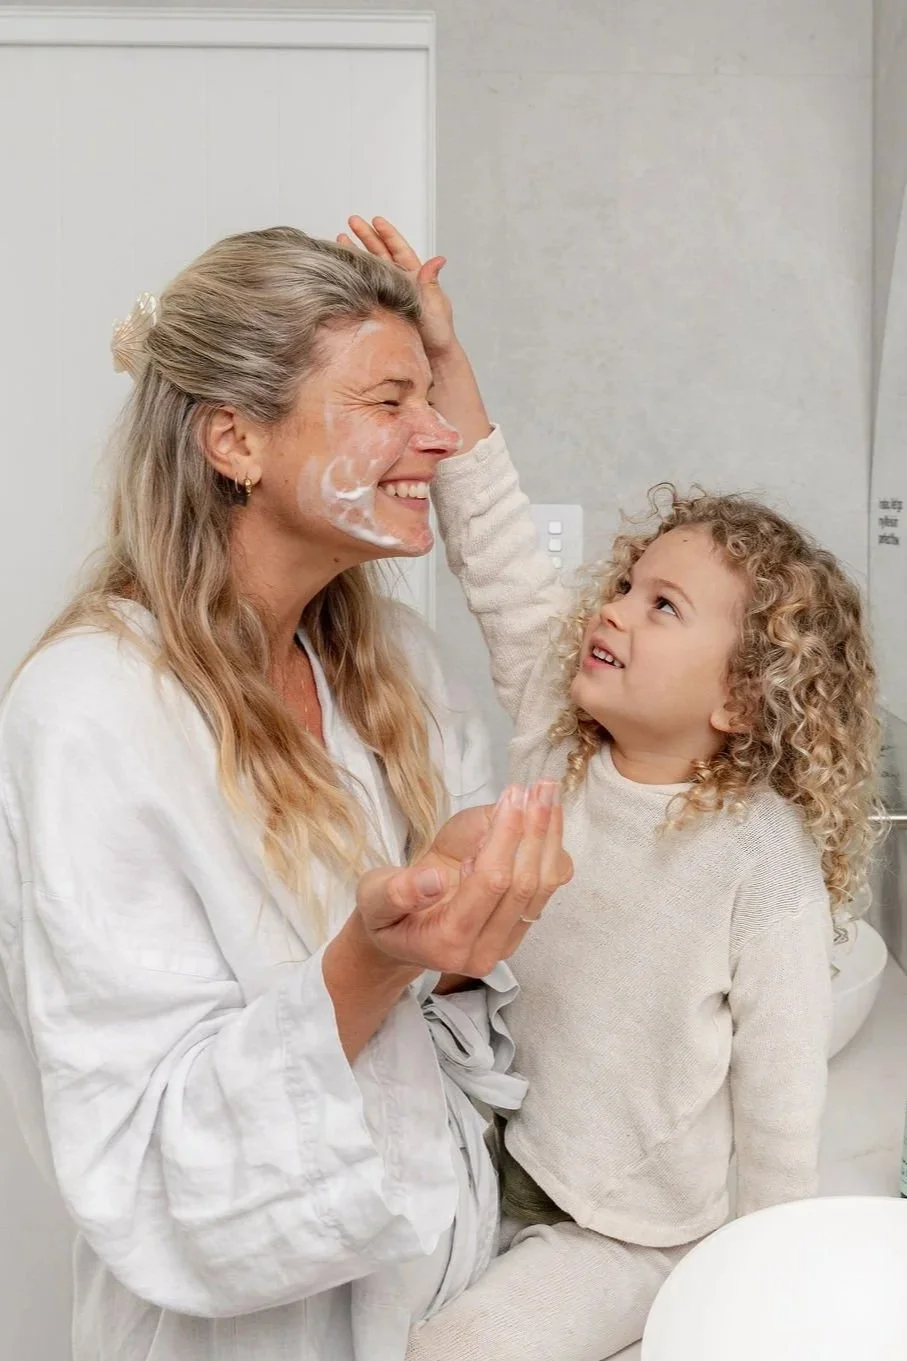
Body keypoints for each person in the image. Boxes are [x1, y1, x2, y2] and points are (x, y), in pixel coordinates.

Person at [0, 227, 573, 1361]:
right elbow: (142, 1147)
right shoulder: (90, 712)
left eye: (432, 397)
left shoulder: (390, 665)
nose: (437, 435)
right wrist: (369, 962)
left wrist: (460, 930)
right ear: (236, 440)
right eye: (387, 400)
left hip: (440, 1290)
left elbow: (457, 1018)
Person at [340, 218, 882, 1361]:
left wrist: (761, 1287)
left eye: (662, 607)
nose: (615, 609)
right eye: (627, 584)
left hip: (629, 1230)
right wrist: (444, 356)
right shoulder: (563, 734)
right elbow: (489, 536)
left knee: (455, 1353)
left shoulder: (757, 853)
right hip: (493, 1148)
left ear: (739, 699)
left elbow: (780, 1107)